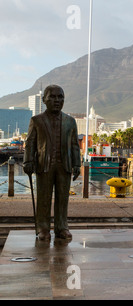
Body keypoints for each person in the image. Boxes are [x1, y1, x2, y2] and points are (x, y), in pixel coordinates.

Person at [23, 85, 81, 240]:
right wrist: (28, 161)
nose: (57, 100)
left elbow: (75, 144)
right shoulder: (36, 120)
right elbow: (30, 143)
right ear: (44, 100)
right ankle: (43, 228)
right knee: (43, 197)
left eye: (60, 97)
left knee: (63, 198)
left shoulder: (70, 121)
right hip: (44, 165)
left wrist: (77, 164)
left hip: (65, 165)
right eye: (53, 97)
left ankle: (62, 227)